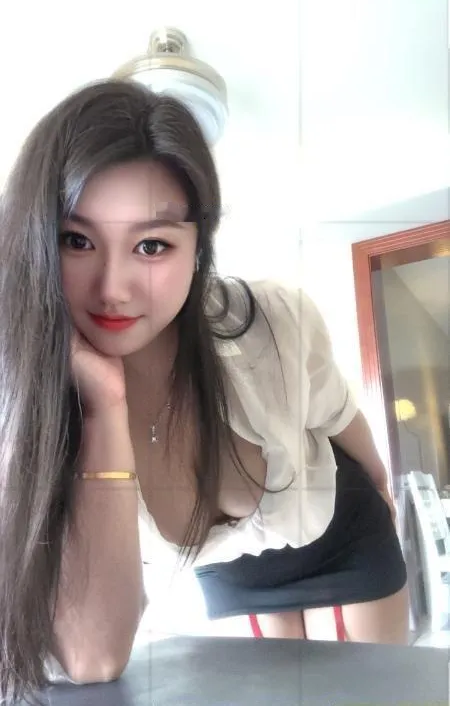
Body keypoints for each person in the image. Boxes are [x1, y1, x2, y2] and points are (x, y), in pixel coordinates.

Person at [0, 79, 408, 703]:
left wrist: (381, 483)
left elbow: (338, 413)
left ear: (198, 250)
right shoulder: (29, 413)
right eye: (76, 240)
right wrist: (105, 408)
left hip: (343, 530)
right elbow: (91, 656)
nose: (113, 288)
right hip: (236, 575)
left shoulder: (272, 322)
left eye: (152, 245)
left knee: (380, 693)